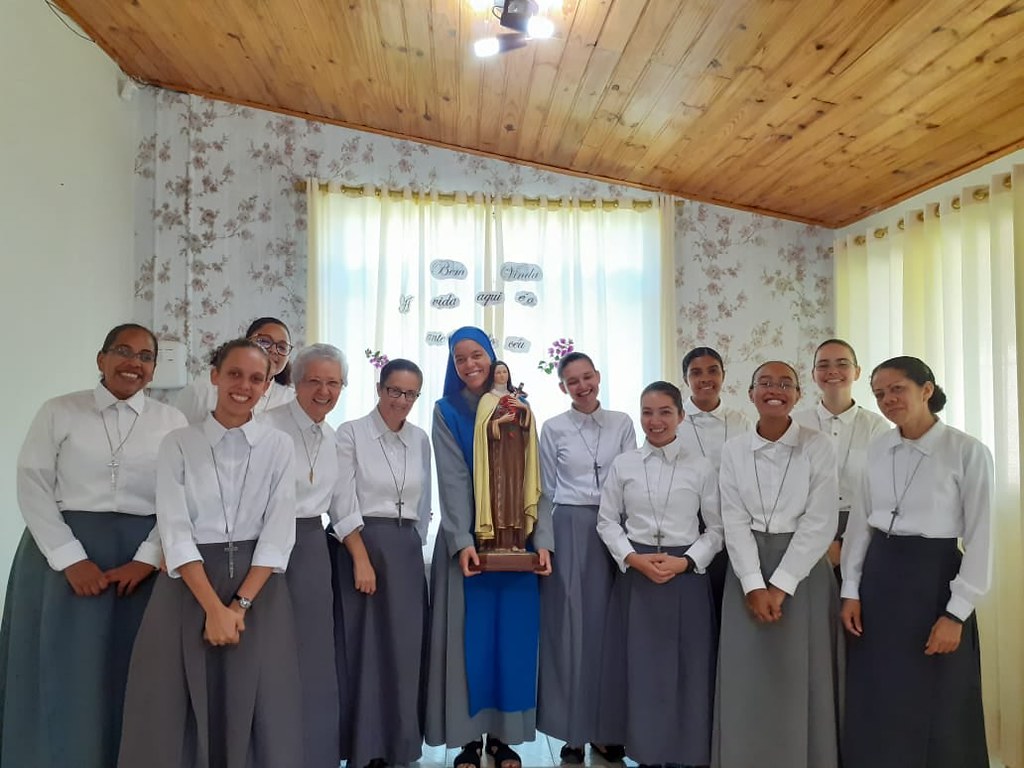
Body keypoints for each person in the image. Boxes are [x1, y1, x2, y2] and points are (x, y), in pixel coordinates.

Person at [0, 323, 186, 768]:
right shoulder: (59, 411)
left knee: (131, 672)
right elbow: (33, 486)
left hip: (137, 565)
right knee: (63, 669)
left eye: (145, 357)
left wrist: (147, 559)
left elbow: (180, 497)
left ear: (154, 369)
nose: (133, 363)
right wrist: (70, 560)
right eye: (123, 351)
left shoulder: (172, 422)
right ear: (101, 358)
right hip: (60, 557)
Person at [118, 338, 301, 768]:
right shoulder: (179, 443)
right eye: (234, 374)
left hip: (258, 589)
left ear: (268, 384)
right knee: (171, 701)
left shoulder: (278, 447)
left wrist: (237, 605)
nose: (244, 385)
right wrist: (214, 610)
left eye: (257, 378)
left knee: (257, 700)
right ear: (215, 376)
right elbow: (175, 529)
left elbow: (278, 532)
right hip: (188, 583)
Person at [841, 356, 992, 768]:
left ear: (926, 390)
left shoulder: (967, 451)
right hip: (880, 578)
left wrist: (956, 614)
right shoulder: (876, 449)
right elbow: (860, 526)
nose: (888, 400)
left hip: (935, 581)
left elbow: (981, 541)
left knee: (941, 698)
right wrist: (850, 591)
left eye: (896, 389)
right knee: (879, 693)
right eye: (879, 394)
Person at [424, 327, 553, 768]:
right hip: (472, 546)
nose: (469, 365)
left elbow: (538, 478)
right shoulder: (446, 412)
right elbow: (452, 478)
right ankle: (466, 740)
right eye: (460, 358)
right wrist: (462, 540)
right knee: (467, 643)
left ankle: (505, 739)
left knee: (513, 640)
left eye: (476, 354)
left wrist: (544, 541)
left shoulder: (519, 406)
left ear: (493, 358)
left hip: (519, 538)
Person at [713, 361, 842, 768]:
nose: (775, 390)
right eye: (765, 383)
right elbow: (732, 519)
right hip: (745, 569)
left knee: (799, 675)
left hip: (803, 572)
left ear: (798, 395)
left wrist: (780, 585)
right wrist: (753, 584)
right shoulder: (733, 450)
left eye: (785, 384)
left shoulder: (818, 445)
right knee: (745, 676)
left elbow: (820, 521)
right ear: (750, 393)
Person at [596, 381, 722, 767]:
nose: (656, 421)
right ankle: (645, 752)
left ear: (681, 416)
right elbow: (607, 522)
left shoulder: (701, 467)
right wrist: (632, 558)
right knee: (643, 670)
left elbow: (716, 529)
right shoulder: (624, 464)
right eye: (647, 412)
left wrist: (686, 561)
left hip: (685, 576)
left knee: (688, 670)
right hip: (637, 575)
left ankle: (685, 753)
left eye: (665, 411)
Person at [330, 358, 432, 768]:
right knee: (364, 650)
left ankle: (400, 746)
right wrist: (361, 557)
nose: (401, 401)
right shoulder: (351, 433)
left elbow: (425, 504)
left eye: (410, 394)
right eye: (394, 391)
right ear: (379, 388)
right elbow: (341, 499)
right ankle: (364, 748)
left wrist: (415, 543)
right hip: (360, 546)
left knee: (404, 652)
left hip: (405, 551)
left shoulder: (420, 438)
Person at [536, 351, 636, 764]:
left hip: (616, 528)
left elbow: (634, 476)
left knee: (610, 632)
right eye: (573, 381)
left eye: (587, 377)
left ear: (598, 377)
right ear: (563, 387)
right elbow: (543, 491)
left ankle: (607, 729)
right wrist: (543, 541)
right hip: (570, 529)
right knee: (571, 633)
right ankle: (572, 732)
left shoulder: (623, 422)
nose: (582, 386)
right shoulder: (553, 427)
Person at [265, 344, 348, 768]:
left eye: (333, 383)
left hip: (312, 546)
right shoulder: (267, 426)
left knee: (313, 656)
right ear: (296, 383)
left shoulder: (333, 438)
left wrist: (363, 559)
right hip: (264, 542)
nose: (323, 391)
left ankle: (314, 755)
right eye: (314, 381)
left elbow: (341, 507)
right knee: (269, 653)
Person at [793, 339, 889, 573]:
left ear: (856, 372)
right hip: (803, 531)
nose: (832, 371)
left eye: (842, 364)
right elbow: (786, 488)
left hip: (863, 530)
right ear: (814, 374)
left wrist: (845, 541)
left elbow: (882, 492)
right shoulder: (795, 424)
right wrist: (820, 540)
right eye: (823, 365)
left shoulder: (877, 427)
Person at [676, 346, 753, 620]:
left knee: (727, 601)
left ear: (724, 375)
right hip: (687, 522)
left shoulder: (740, 421)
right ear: (686, 380)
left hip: (732, 519)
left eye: (713, 371)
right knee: (695, 602)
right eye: (696, 373)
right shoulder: (674, 421)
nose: (705, 378)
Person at [174, 316, 295, 423]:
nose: (273, 350)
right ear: (247, 342)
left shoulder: (292, 400)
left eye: (282, 347)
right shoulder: (202, 390)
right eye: (264, 341)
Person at [473, 360, 539, 552]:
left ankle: (517, 541)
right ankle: (497, 542)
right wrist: (500, 421)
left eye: (505, 372)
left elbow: (529, 428)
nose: (502, 375)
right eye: (498, 372)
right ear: (492, 375)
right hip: (497, 454)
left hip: (516, 451)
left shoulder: (516, 397)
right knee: (499, 492)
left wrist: (524, 409)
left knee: (516, 491)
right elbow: (481, 430)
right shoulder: (487, 399)